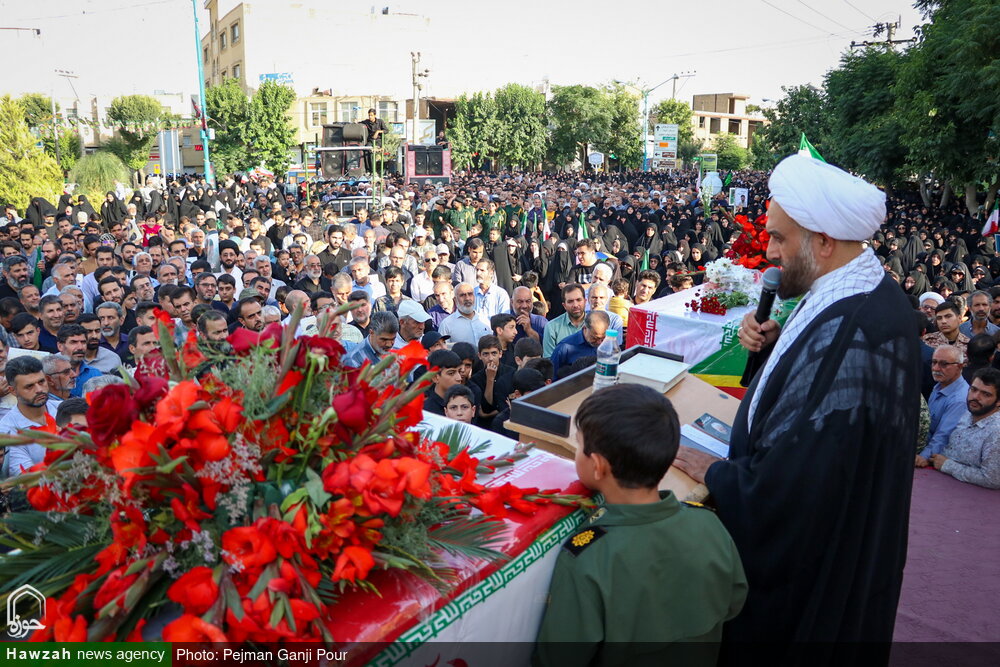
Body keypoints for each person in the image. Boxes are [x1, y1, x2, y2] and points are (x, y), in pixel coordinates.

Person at [673, 154, 920, 651]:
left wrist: (717, 473)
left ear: (823, 242)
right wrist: (778, 347)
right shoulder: (853, 287)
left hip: (812, 580)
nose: (768, 250)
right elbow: (823, 391)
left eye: (779, 238)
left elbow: (796, 483)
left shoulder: (856, 325)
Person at [534, 383, 746, 666]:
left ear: (598, 465)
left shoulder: (588, 558)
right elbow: (734, 600)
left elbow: (558, 657)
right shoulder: (708, 523)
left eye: (579, 444)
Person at [931, 367, 1000, 488]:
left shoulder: (996, 432)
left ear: (998, 401)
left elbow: (992, 479)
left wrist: (947, 465)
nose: (976, 397)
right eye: (973, 389)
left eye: (986, 394)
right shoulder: (969, 412)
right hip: (940, 482)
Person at [0, 356, 60, 478]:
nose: (39, 390)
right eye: (29, 386)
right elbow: (29, 477)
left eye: (41, 382)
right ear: (13, 391)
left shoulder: (64, 409)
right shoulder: (7, 431)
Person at [916, 345, 969, 467]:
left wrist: (924, 457)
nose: (936, 368)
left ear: (960, 367)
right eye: (934, 362)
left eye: (944, 364)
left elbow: (943, 436)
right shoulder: (940, 385)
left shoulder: (959, 399)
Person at [550, 310, 609, 378]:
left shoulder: (609, 344)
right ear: (584, 328)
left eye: (602, 338)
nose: (599, 342)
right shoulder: (565, 348)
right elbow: (553, 378)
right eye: (594, 338)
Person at [438, 283, 491, 347]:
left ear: (474, 297)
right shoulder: (446, 324)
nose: (467, 298)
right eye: (462, 295)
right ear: (455, 299)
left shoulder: (484, 320)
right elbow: (443, 349)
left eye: (470, 294)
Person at [543, 284, 587, 357]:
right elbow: (549, 359)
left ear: (585, 301)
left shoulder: (595, 324)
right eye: (570, 301)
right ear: (564, 305)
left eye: (578, 300)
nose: (575, 305)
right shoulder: (552, 327)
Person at [423, 349, 464, 415]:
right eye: (451, 373)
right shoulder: (427, 412)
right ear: (435, 378)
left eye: (459, 372)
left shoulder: (466, 402)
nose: (459, 378)